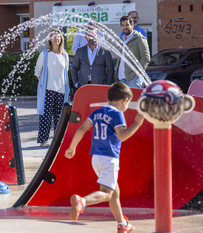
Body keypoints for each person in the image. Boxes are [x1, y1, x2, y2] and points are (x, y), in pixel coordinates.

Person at [65, 82, 144, 233]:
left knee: (114, 192)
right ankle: (82, 201)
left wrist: (72, 147)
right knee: (107, 193)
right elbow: (122, 136)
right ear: (125, 100)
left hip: (96, 158)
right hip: (110, 158)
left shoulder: (97, 112)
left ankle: (122, 224)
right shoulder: (117, 114)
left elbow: (82, 128)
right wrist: (137, 124)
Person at [34, 29, 70, 147]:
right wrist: (44, 83)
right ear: (50, 39)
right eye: (53, 36)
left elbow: (65, 71)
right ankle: (43, 140)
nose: (56, 38)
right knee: (46, 115)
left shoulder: (65, 55)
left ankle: (58, 140)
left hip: (61, 91)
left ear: (61, 39)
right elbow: (37, 71)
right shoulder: (45, 54)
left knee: (59, 117)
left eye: (58, 36)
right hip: (48, 90)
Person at [115, 15, 150, 88]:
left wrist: (138, 72)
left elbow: (146, 57)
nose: (125, 27)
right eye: (123, 25)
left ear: (132, 25)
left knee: (134, 99)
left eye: (127, 25)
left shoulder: (139, 38)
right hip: (121, 78)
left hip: (133, 78)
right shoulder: (121, 40)